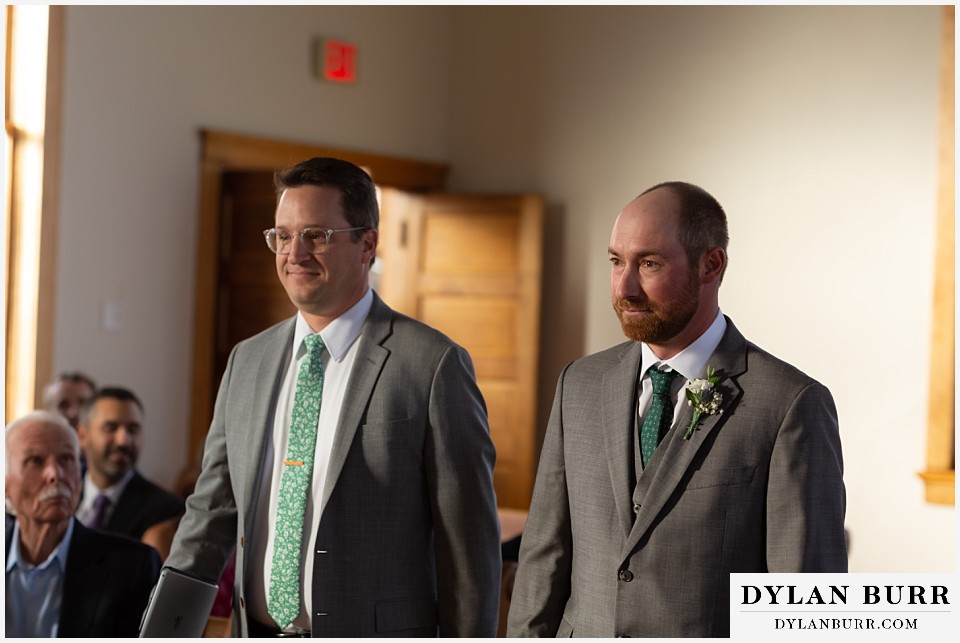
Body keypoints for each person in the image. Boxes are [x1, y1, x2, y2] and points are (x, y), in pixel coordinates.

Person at [163, 157, 501, 637]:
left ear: (368, 244)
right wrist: (161, 629)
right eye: (282, 236)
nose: (294, 253)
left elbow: (468, 550)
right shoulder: (247, 361)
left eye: (316, 235)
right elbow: (211, 512)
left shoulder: (431, 366)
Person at [507, 181, 847, 638]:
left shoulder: (790, 405)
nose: (624, 287)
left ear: (710, 265)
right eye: (615, 262)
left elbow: (804, 603)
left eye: (649, 263)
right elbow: (542, 557)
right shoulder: (579, 385)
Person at [5, 411, 160, 637]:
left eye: (67, 459)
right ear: (5, 483)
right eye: (35, 461)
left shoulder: (133, 567)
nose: (55, 474)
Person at [75, 387, 184, 559]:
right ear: (82, 435)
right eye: (110, 428)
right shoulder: (62, 495)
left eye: (133, 430)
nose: (123, 440)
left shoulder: (165, 512)